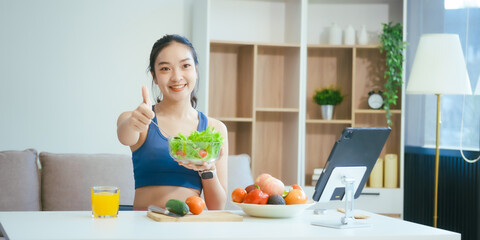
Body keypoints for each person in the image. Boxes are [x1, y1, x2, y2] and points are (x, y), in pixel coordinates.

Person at [117, 34, 228, 210]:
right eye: (165, 69)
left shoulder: (215, 128)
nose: (177, 77)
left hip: (190, 230)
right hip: (143, 228)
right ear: (154, 76)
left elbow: (217, 206)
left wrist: (208, 169)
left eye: (185, 66)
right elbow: (125, 136)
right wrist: (133, 123)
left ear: (196, 71)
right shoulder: (139, 118)